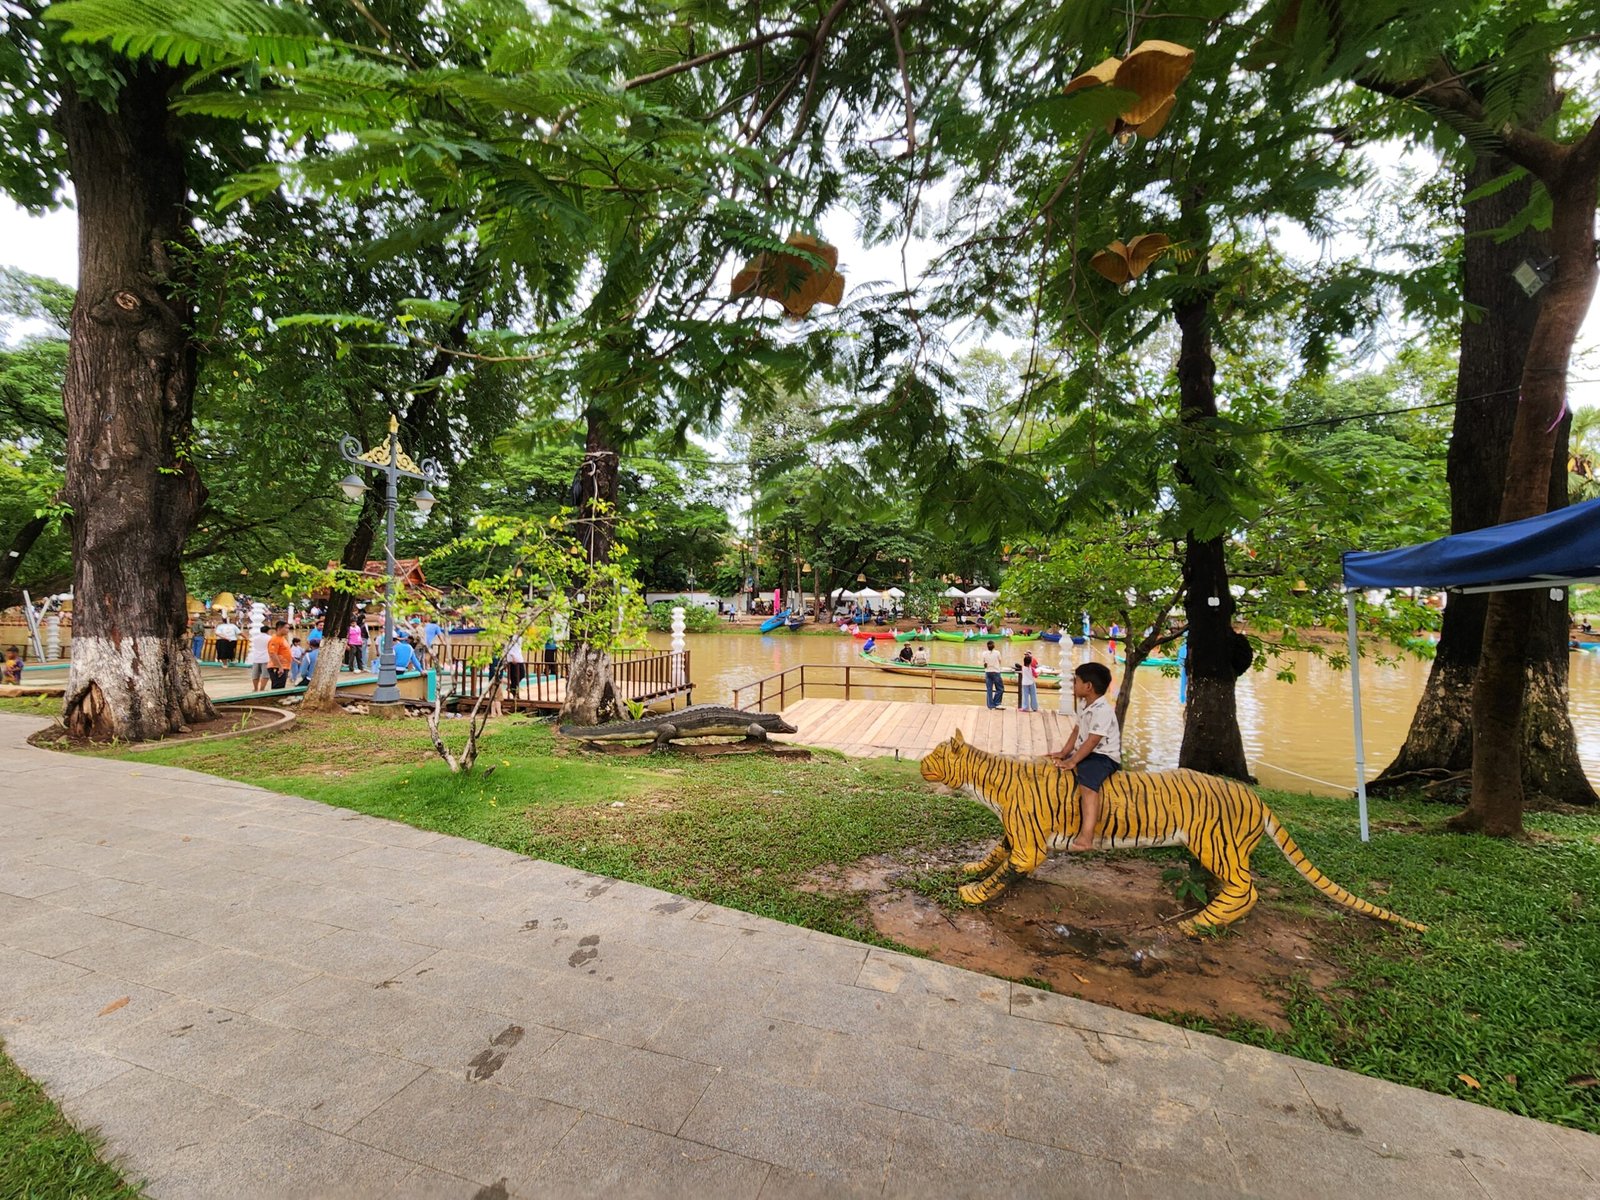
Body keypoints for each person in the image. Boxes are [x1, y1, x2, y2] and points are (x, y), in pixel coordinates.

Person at [1045, 662, 1121, 850]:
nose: (1073, 685)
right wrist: (1063, 753)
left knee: (1088, 785)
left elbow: (1093, 740)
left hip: (1102, 756)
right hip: (1087, 751)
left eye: (1076, 681)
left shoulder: (1103, 710)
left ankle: (1087, 836)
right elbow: (1077, 730)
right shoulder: (1083, 704)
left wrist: (1073, 761)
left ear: (1088, 686)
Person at [266, 621, 292, 690]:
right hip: (277, 667)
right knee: (277, 687)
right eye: (286, 628)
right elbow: (272, 654)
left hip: (284, 667)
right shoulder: (275, 639)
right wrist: (280, 667)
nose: (288, 630)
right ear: (279, 628)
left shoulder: (282, 638)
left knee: (281, 687)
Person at [247, 623, 272, 690]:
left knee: (255, 675)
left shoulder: (255, 638)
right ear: (268, 631)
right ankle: (262, 688)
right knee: (265, 675)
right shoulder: (270, 638)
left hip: (256, 658)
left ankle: (255, 688)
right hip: (266, 658)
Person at [980, 639, 1004, 710]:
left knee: (989, 689)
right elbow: (1000, 661)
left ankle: (990, 705)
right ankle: (997, 703)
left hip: (987, 672)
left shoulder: (984, 653)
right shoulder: (997, 653)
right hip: (995, 671)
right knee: (1000, 688)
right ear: (994, 646)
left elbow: (984, 663)